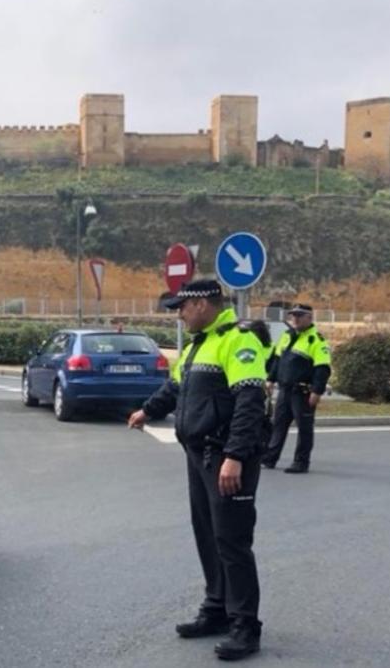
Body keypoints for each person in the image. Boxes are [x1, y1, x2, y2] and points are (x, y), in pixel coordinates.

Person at [127, 279, 269, 661]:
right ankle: (217, 609)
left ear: (203, 304)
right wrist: (148, 411)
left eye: (182, 307)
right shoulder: (196, 345)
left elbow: (250, 401)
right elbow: (175, 389)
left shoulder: (238, 340)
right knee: (207, 536)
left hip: (227, 458)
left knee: (232, 541)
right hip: (199, 456)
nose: (179, 313)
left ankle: (245, 625)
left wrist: (236, 455)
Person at [261, 304, 331, 473]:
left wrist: (317, 391)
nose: (296, 319)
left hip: (303, 392)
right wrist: (270, 380)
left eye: (300, 316)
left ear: (309, 318)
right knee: (278, 425)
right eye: (293, 316)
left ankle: (301, 462)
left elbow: (322, 368)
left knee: (304, 429)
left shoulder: (316, 340)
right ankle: (270, 457)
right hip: (285, 390)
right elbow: (277, 360)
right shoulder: (286, 336)